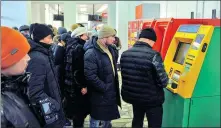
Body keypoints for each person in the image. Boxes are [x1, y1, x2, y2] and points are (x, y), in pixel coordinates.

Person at [120, 28, 169, 128]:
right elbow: (163, 81)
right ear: (150, 40)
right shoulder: (154, 55)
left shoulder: (125, 54)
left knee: (137, 119)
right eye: (153, 42)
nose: (153, 45)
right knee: (154, 124)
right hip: (152, 99)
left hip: (134, 97)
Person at [26, 24, 66, 128]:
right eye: (49, 37)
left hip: (51, 110)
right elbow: (34, 92)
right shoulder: (37, 58)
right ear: (41, 38)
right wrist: (54, 105)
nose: (52, 41)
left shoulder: (44, 53)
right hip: (48, 113)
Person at [1, 26, 41, 128]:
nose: (28, 58)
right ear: (6, 59)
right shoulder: (3, 110)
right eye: (23, 54)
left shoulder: (16, 87)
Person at [84, 25, 121, 128]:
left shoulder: (111, 49)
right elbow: (90, 75)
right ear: (104, 37)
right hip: (99, 93)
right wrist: (104, 87)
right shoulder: (91, 53)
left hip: (110, 90)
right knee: (96, 118)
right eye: (112, 36)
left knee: (107, 117)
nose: (114, 39)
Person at [63, 27, 90, 128]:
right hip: (77, 86)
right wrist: (82, 85)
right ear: (80, 36)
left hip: (70, 84)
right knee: (79, 112)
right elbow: (78, 70)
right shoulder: (79, 47)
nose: (87, 36)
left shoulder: (69, 45)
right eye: (85, 34)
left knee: (75, 111)